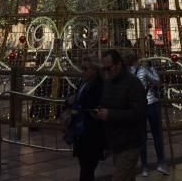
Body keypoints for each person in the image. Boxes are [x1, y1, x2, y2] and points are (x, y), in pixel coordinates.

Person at [94, 49, 147, 181]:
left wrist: (110, 115)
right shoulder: (109, 82)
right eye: (103, 68)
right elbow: (105, 102)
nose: (106, 72)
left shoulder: (133, 84)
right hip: (116, 142)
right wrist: (99, 111)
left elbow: (138, 113)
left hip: (130, 142)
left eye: (108, 68)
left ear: (118, 65)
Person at [125, 53, 169, 176]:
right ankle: (161, 162)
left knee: (142, 137)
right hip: (151, 104)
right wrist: (152, 68)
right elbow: (156, 81)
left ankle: (144, 166)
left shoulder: (126, 73)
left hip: (138, 107)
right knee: (157, 135)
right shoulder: (143, 70)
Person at [66, 55, 105, 181]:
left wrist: (77, 101)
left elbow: (94, 103)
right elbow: (76, 98)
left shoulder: (99, 84)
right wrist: (69, 100)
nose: (82, 71)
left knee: (87, 168)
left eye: (85, 68)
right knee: (84, 166)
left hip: (91, 131)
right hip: (81, 130)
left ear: (94, 70)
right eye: (81, 68)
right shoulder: (83, 82)